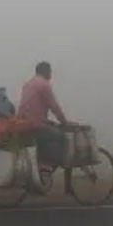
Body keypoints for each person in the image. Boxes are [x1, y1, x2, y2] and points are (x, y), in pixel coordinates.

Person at [18, 61, 69, 193]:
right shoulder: (44, 85)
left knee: (46, 134)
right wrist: (64, 122)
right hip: (34, 125)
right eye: (50, 72)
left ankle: (40, 169)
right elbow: (54, 106)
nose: (51, 75)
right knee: (62, 137)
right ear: (45, 71)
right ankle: (46, 168)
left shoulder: (28, 84)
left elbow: (31, 108)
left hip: (23, 123)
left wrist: (48, 121)